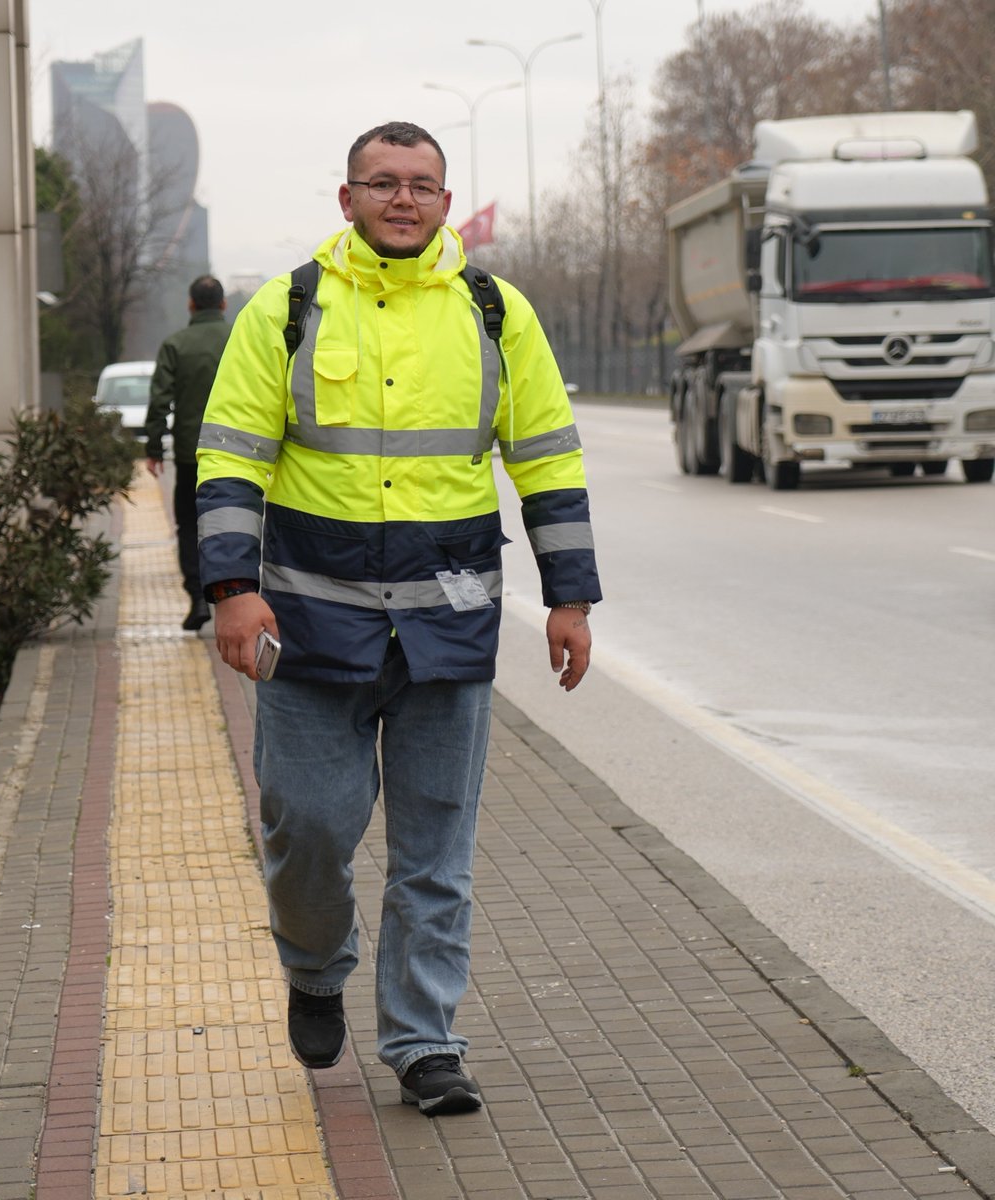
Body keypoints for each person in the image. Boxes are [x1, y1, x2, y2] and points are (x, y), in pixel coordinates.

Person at [196, 121, 600, 1117]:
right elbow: (232, 457)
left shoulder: (496, 314)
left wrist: (570, 596)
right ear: (348, 201)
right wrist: (231, 591)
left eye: (422, 184)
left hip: (448, 631)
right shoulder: (287, 309)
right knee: (312, 826)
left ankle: (425, 1044)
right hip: (310, 630)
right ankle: (317, 966)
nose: (404, 199)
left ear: (445, 200)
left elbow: (546, 460)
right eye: (383, 183)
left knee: (436, 856)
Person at [145, 274, 231, 631]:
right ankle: (231, 595)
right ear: (224, 305)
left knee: (189, 526)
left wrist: (153, 447)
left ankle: (197, 597)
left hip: (190, 453)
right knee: (232, 521)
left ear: (191, 305)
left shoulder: (175, 344)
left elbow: (160, 400)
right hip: (238, 452)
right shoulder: (239, 338)